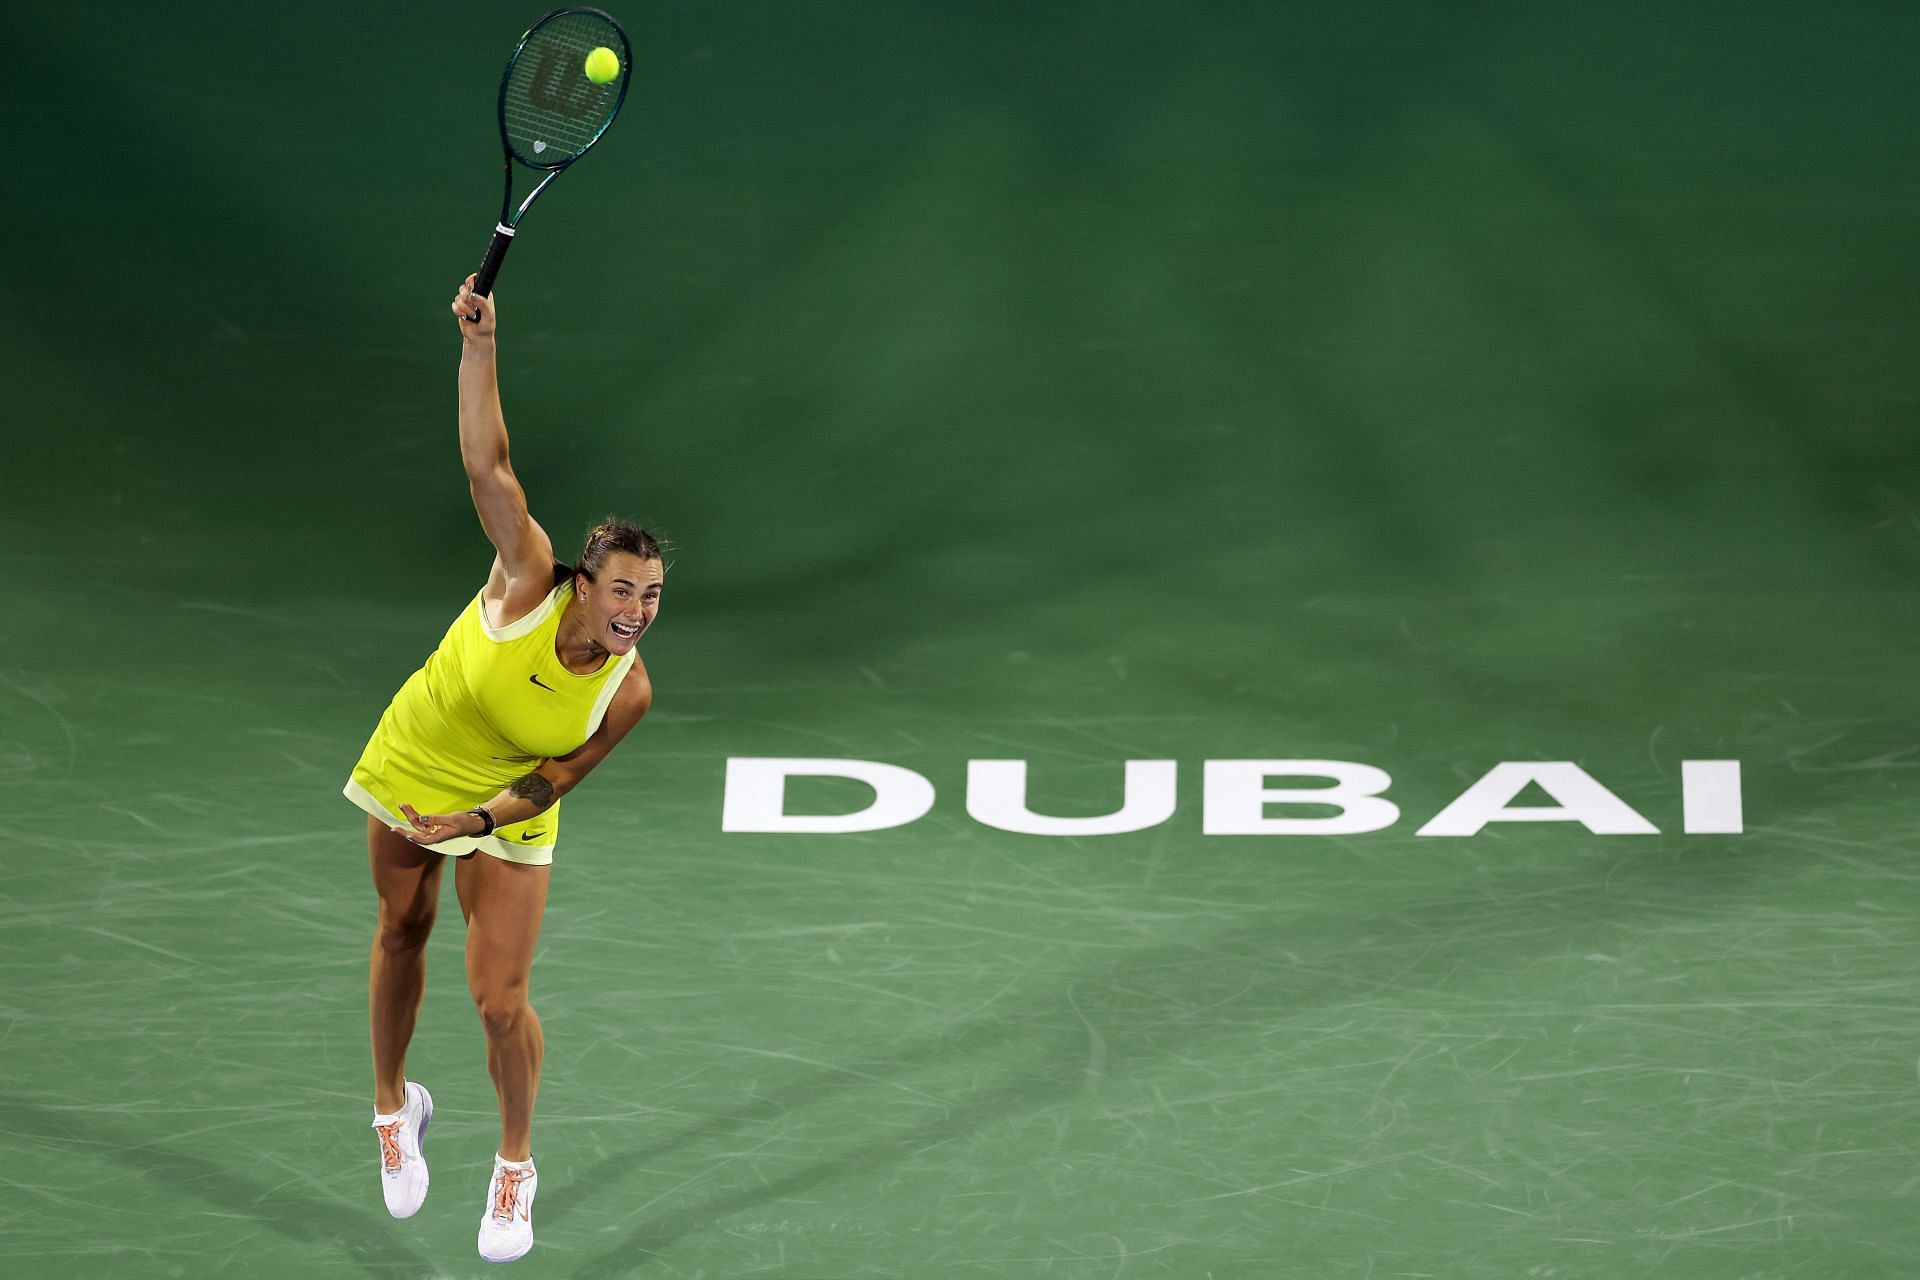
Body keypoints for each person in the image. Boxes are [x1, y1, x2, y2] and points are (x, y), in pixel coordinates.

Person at [341, 275, 663, 1264]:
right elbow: (490, 461)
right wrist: (480, 344)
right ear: (583, 578)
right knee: (402, 927)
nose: (638, 611)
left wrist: (473, 820)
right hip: (416, 752)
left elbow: (549, 783)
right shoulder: (526, 573)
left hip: (504, 805)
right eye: (623, 589)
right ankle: (396, 1107)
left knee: (498, 999)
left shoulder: (628, 689)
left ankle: (514, 1165)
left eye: (653, 596)